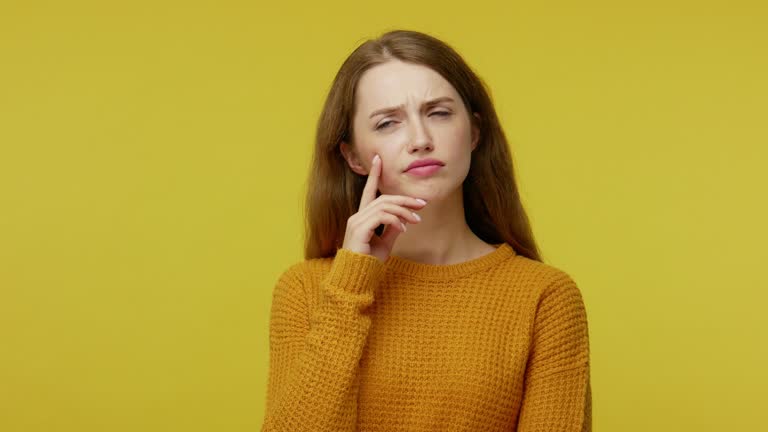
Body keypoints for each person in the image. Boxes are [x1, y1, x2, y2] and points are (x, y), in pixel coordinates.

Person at [260, 29, 591, 432]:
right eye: (387, 123)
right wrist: (350, 285)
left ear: (473, 131)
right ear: (353, 156)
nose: (420, 139)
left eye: (438, 113)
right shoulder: (307, 289)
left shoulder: (545, 297)